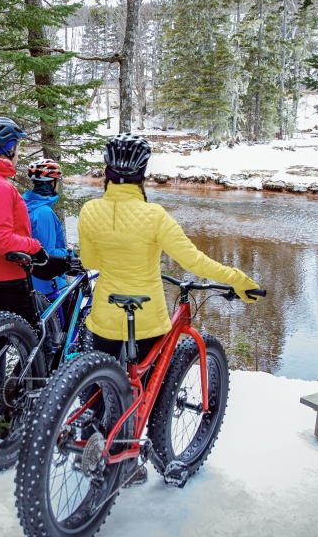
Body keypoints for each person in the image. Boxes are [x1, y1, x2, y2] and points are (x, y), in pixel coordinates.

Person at [77, 133, 261, 485]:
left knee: (100, 385)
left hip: (103, 317)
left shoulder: (90, 210)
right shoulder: (154, 216)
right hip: (146, 320)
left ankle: (92, 438)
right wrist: (238, 278)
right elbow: (194, 261)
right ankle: (126, 461)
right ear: (142, 174)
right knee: (144, 392)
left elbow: (90, 260)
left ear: (107, 171)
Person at [0, 116, 48, 325]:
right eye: (18, 146)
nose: (18, 152)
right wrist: (35, 246)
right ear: (9, 149)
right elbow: (2, 240)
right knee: (38, 342)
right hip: (5, 275)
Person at [23, 159, 69, 298]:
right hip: (47, 286)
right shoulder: (43, 213)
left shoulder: (24, 204)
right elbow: (48, 255)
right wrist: (70, 256)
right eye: (58, 182)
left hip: (29, 281)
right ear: (52, 183)